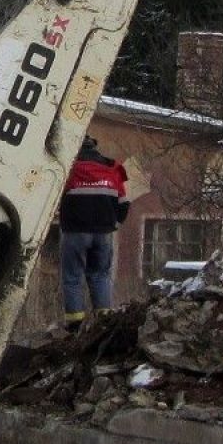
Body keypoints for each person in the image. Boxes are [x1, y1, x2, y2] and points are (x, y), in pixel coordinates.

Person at [58, 136, 130, 329]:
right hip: (103, 232)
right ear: (95, 148)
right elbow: (124, 203)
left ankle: (75, 323)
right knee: (100, 275)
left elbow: (52, 196)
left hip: (75, 231)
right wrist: (114, 221)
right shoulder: (113, 169)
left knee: (72, 277)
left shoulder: (68, 168)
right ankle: (104, 320)